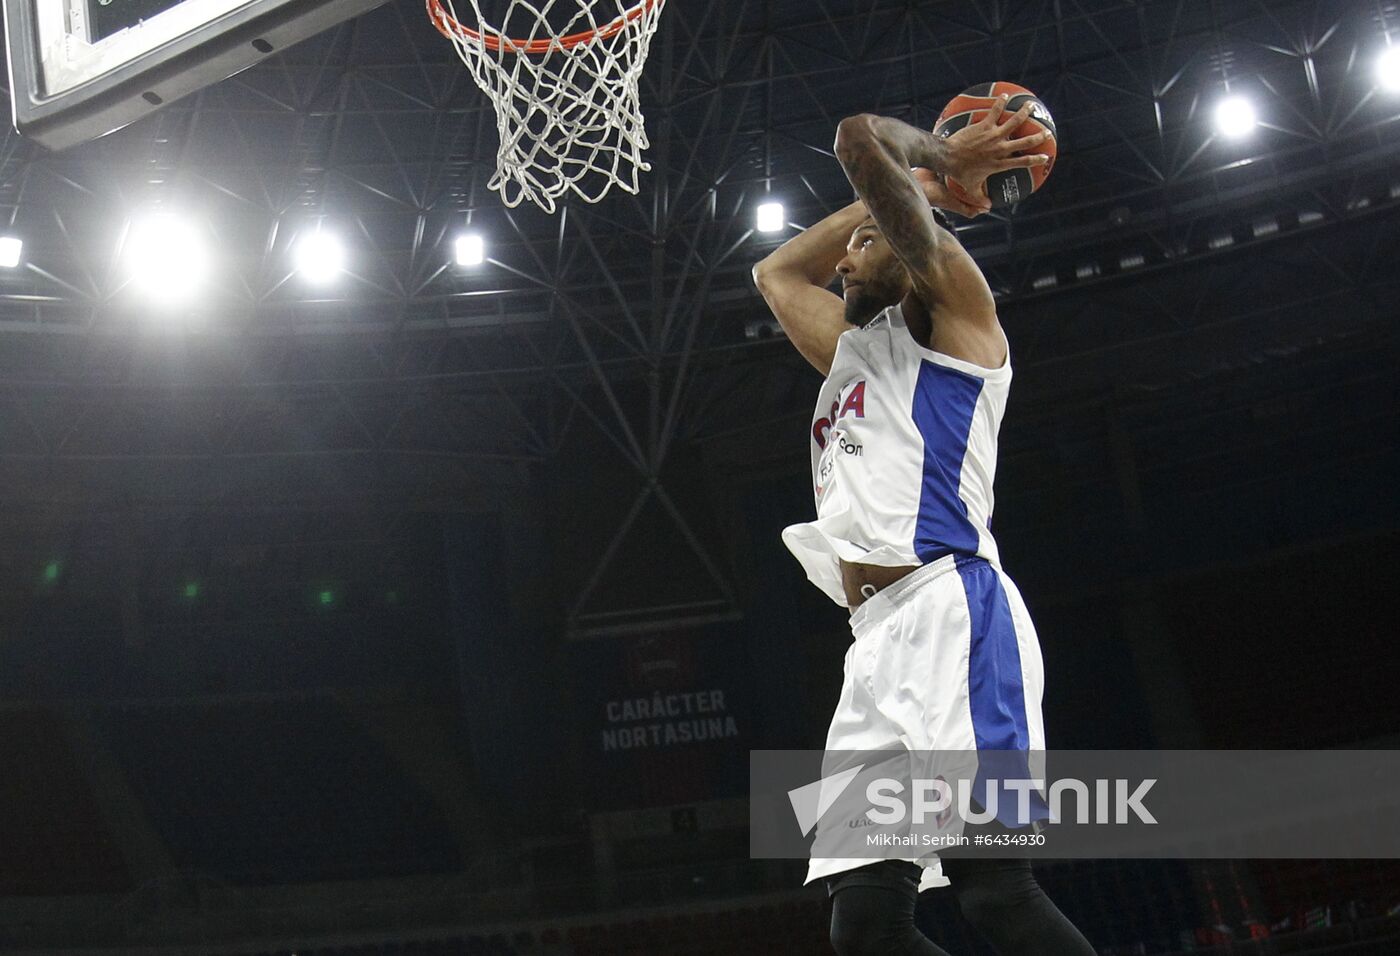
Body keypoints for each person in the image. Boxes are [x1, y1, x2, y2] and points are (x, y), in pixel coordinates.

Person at [751, 96, 1096, 955]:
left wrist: (932, 169)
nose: (845, 259)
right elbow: (776, 274)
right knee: (864, 926)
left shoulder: (956, 318)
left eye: (870, 240)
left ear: (918, 251)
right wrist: (912, 186)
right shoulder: (849, 351)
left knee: (993, 894)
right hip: (870, 644)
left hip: (953, 612)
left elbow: (856, 140)